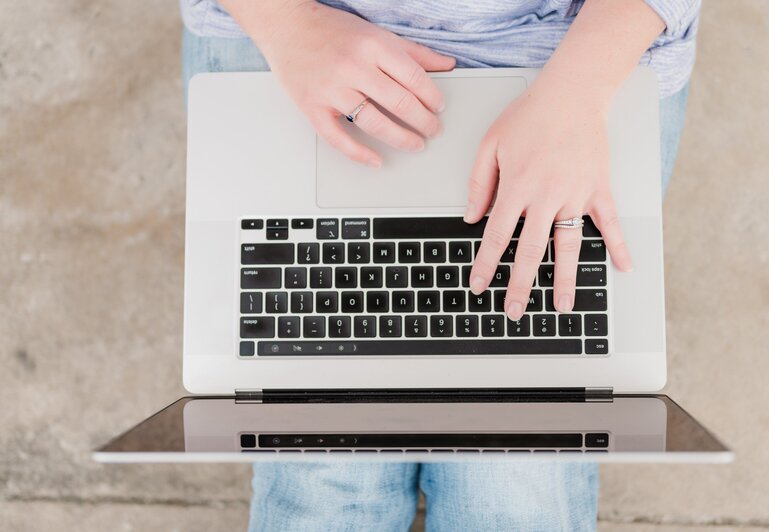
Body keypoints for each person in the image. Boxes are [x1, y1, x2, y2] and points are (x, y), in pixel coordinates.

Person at [180, 0, 700, 530]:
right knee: (321, 487)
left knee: (517, 494)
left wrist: (576, 92)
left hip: (575, 53)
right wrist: (286, 24)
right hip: (297, 38)